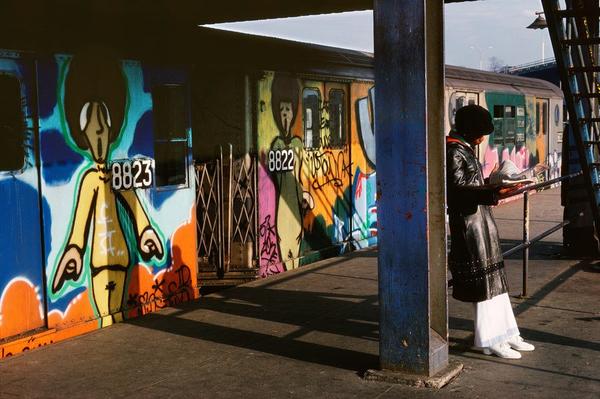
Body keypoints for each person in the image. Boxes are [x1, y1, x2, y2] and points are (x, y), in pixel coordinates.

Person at [446, 104, 535, 359]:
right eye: (481, 132)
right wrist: (493, 190)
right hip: (469, 224)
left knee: (495, 280)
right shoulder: (454, 151)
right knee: (484, 283)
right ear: (471, 130)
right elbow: (457, 189)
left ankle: (507, 333)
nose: (483, 138)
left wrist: (497, 186)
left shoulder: (463, 149)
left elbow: (469, 185)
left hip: (480, 220)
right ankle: (487, 339)